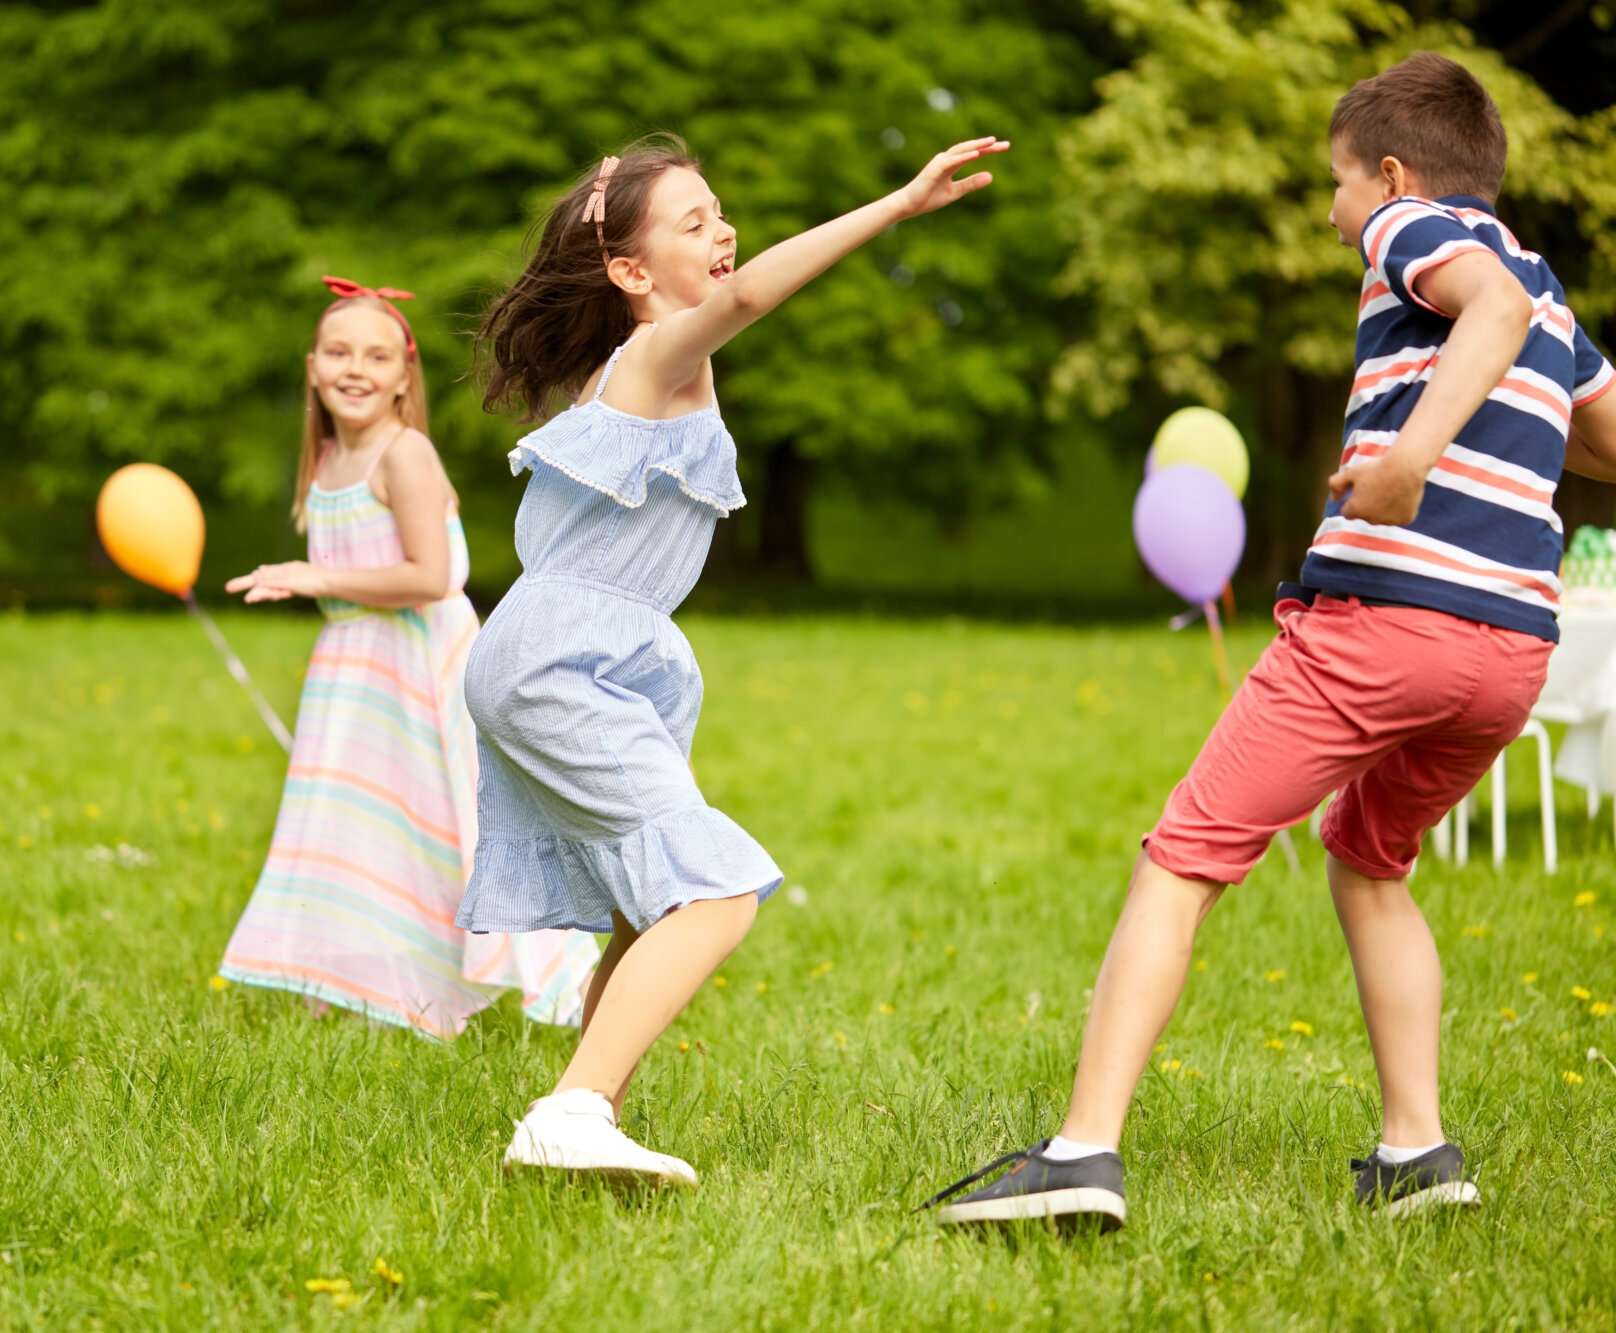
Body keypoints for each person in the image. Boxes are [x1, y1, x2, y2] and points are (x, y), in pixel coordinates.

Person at [931, 52, 1615, 1231]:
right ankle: (1416, 1151)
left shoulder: (1413, 229)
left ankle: (1080, 1151)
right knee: (1369, 857)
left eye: (1336, 185)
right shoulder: (1548, 291)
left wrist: (1405, 462)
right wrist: (1519, 432)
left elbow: (1481, 313)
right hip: (1508, 653)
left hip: (1381, 624)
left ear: (1393, 173)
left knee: (1182, 853)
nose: (1335, 212)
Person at [463, 133, 1010, 1186]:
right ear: (630, 272)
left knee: (647, 900)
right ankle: (568, 1110)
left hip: (575, 653)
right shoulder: (658, 352)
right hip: (564, 658)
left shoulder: (651, 363)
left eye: (719, 213)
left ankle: (588, 1109)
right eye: (690, 223)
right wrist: (895, 204)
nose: (720, 234)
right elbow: (751, 296)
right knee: (713, 890)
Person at [217, 277, 600, 1040]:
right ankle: (358, 974)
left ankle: (533, 973)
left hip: (422, 664)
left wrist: (313, 577)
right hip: (355, 667)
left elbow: (433, 575)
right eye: (338, 352)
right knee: (356, 819)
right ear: (312, 366)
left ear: (403, 375)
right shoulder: (327, 458)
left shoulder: (406, 453)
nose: (355, 368)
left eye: (376, 355)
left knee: (451, 819)